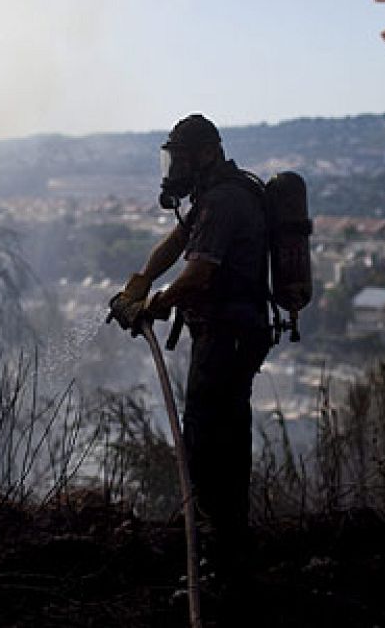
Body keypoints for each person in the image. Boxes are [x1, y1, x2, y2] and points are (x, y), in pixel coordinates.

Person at [109, 113, 272, 580]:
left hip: (229, 336)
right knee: (222, 433)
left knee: (210, 437)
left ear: (205, 154)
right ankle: (225, 541)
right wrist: (138, 285)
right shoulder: (212, 197)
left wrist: (156, 304)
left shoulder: (223, 201)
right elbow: (175, 244)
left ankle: (219, 553)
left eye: (179, 159)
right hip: (228, 333)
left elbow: (198, 271)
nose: (173, 170)